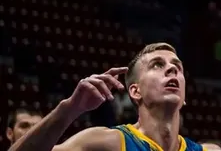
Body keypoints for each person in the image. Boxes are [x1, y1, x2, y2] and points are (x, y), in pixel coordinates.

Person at [9, 43, 203, 151]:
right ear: (135, 92)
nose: (171, 69)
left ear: (184, 96)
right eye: (157, 65)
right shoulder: (106, 143)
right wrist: (70, 109)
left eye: (177, 67)